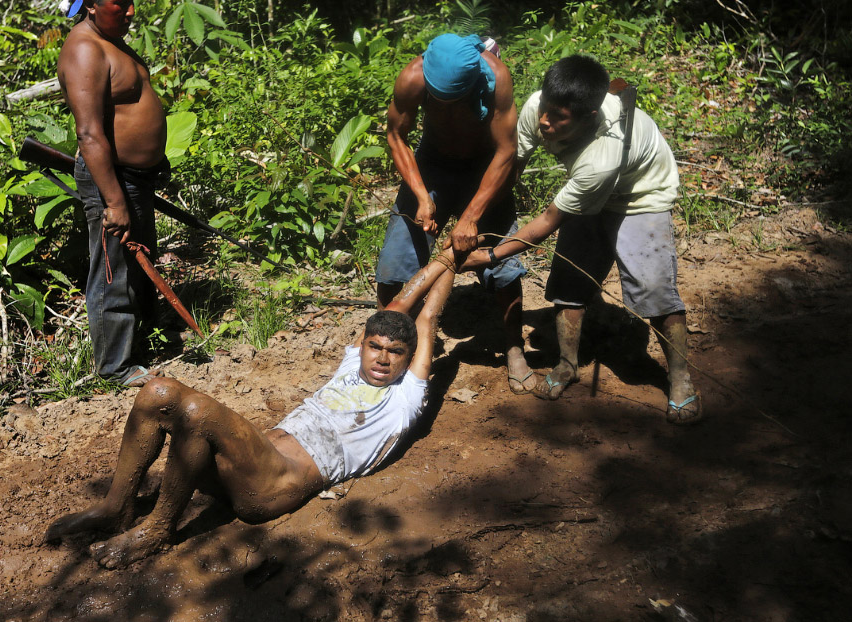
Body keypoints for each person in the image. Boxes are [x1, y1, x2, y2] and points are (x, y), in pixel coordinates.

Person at [43, 257, 456, 568]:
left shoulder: (405, 398)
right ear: (364, 344)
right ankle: (117, 508)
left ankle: (157, 531)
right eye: (376, 347)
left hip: (276, 483)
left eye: (396, 353)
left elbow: (427, 315)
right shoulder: (353, 361)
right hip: (242, 463)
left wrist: (452, 260)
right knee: (157, 392)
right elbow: (398, 304)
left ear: (409, 358)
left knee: (196, 410)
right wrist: (441, 256)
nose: (383, 359)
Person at [459, 55, 701, 424]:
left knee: (654, 292)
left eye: (558, 117)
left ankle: (680, 379)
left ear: (587, 118)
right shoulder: (538, 107)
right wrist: (478, 215)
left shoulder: (600, 158)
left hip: (640, 195)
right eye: (545, 109)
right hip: (589, 191)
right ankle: (568, 364)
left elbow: (548, 220)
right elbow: (512, 163)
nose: (545, 121)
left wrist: (492, 256)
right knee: (568, 285)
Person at [375, 33, 531, 392]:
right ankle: (390, 345)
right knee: (395, 260)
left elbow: (506, 151)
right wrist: (420, 196)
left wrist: (472, 215)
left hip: (485, 165)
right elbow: (397, 135)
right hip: (432, 163)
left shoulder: (496, 78)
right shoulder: (413, 77)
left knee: (504, 267)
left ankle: (513, 347)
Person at [57, 0, 166, 386]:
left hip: (134, 178)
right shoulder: (85, 50)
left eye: (130, 4)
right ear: (92, 4)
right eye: (120, 5)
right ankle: (115, 367)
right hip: (111, 181)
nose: (129, 13)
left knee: (140, 260)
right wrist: (115, 201)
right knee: (113, 272)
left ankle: (141, 343)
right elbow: (90, 134)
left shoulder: (113, 41)